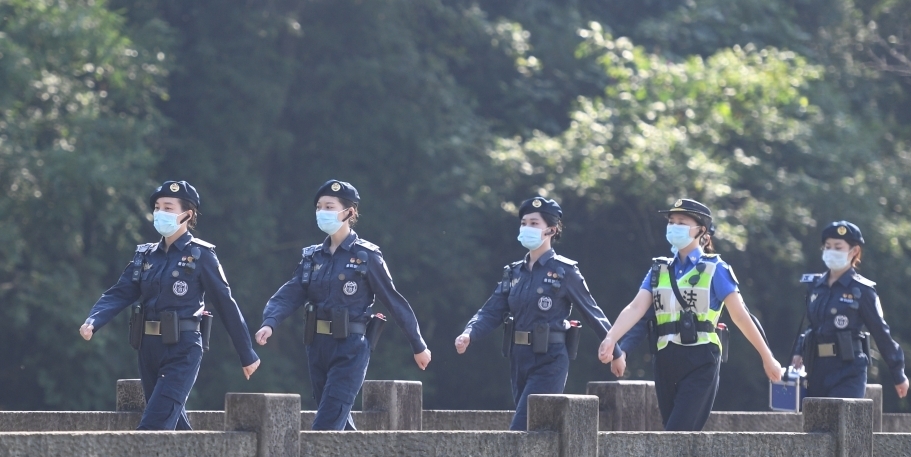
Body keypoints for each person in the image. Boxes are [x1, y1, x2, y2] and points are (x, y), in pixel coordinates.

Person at [80, 181, 261, 430]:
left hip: (182, 349)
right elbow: (121, 292)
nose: (160, 213)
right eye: (157, 207)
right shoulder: (145, 256)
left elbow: (225, 303)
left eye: (168, 207)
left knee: (153, 427)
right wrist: (94, 319)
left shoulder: (201, 255)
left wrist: (246, 353)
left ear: (188, 214)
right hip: (147, 348)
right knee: (174, 425)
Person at [255, 179, 431, 430]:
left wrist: (418, 344)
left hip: (350, 347)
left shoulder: (366, 256)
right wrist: (270, 323)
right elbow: (290, 293)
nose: (322, 212)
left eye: (329, 206)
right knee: (339, 422)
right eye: (319, 207)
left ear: (349, 212)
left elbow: (393, 301)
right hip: (316, 346)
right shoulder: (313, 257)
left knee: (327, 422)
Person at [597, 198, 782, 431]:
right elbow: (636, 308)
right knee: (676, 435)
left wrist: (767, 357)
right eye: (671, 221)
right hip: (665, 359)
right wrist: (611, 338)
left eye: (682, 222)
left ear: (700, 230)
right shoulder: (659, 269)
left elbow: (741, 316)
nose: (674, 226)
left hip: (701, 357)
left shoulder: (716, 268)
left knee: (676, 433)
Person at [455, 196, 625, 431]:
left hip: (550, 359)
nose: (526, 228)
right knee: (535, 431)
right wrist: (469, 333)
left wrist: (616, 351)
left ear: (551, 230)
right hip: (518, 358)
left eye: (534, 223)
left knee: (520, 430)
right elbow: (492, 310)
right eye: (524, 223)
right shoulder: (514, 272)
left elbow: (592, 312)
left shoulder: (565, 271)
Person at [791, 221, 908, 399]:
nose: (831, 251)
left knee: (844, 424)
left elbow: (880, 332)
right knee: (817, 424)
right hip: (816, 368)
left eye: (838, 247)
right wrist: (799, 351)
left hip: (848, 370)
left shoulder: (862, 290)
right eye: (828, 246)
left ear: (853, 251)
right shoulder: (815, 286)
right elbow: (811, 325)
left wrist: (898, 372)